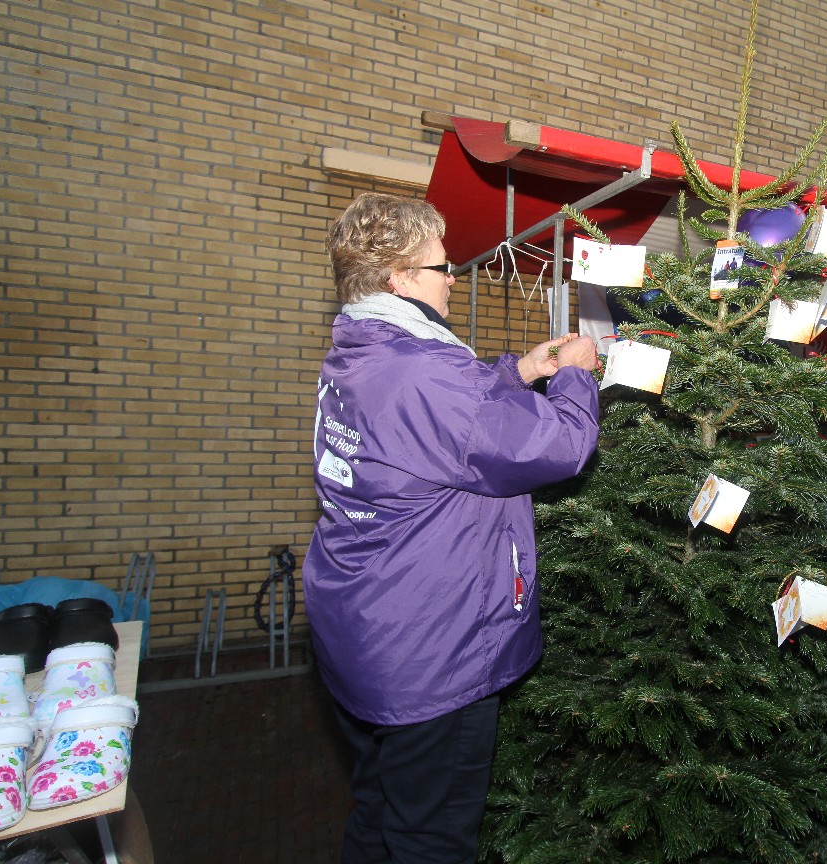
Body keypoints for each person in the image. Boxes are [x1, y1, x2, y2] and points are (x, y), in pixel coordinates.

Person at [304, 192, 601, 863]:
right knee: (431, 839)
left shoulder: (363, 351)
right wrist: (575, 377)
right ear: (398, 279)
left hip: (367, 631)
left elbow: (445, 419)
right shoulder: (421, 370)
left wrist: (521, 371)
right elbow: (557, 446)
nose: (453, 279)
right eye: (442, 267)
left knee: (380, 808)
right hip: (432, 654)